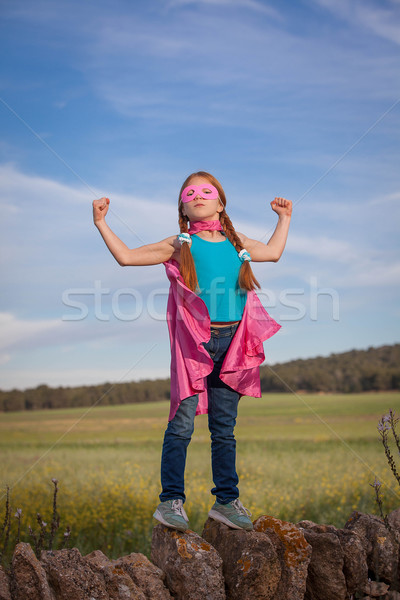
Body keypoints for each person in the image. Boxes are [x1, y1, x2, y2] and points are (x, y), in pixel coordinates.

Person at [92, 171, 292, 532]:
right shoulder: (179, 243)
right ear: (183, 205)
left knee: (224, 429)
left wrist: (284, 218)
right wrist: (101, 223)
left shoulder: (237, 242)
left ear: (220, 202)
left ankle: (227, 502)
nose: (198, 196)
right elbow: (125, 257)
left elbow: (274, 253)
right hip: (194, 345)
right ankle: (170, 502)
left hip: (234, 344)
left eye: (206, 191)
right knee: (182, 425)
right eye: (190, 193)